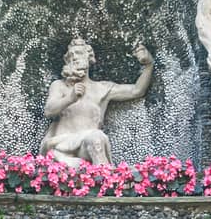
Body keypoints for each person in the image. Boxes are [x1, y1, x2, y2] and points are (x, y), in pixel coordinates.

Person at [40, 37, 154, 166]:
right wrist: (70, 98)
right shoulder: (60, 85)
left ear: (89, 57)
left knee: (96, 138)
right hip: (61, 146)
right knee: (87, 149)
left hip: (88, 145)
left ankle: (105, 179)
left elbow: (137, 91)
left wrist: (149, 65)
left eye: (79, 53)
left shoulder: (103, 88)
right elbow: (49, 111)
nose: (74, 57)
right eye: (71, 55)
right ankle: (104, 178)